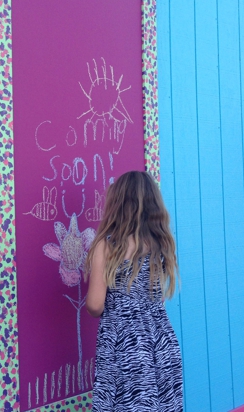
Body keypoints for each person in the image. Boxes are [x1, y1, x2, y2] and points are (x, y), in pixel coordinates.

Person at [84, 171, 183, 411]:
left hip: (125, 343)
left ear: (117, 203)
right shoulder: (160, 243)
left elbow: (95, 305)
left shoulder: (107, 245)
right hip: (162, 342)